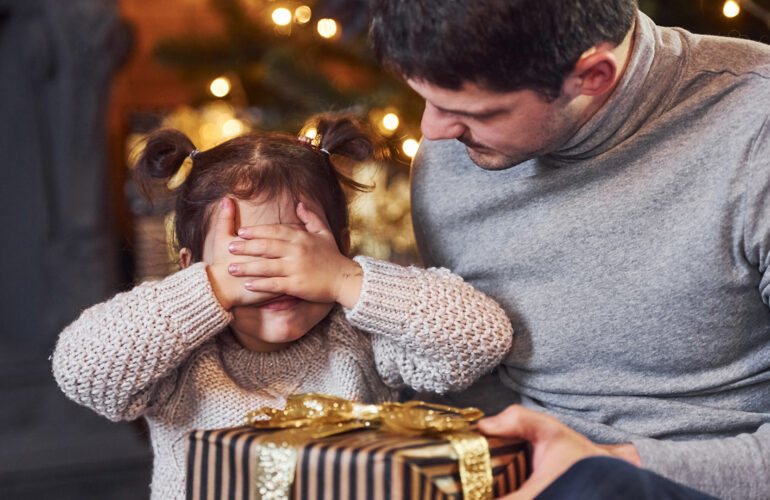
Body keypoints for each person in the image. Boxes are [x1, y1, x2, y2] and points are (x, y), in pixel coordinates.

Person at [369, 0, 770, 499]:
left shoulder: (757, 130)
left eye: (474, 112)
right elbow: (463, 377)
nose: (433, 131)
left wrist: (610, 467)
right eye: (426, 100)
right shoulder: (453, 158)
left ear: (594, 75)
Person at [51, 115, 514, 499]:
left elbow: (480, 339)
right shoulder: (181, 355)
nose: (278, 275)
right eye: (247, 255)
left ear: (337, 249)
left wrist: (343, 278)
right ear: (193, 267)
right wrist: (208, 288)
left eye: (298, 251)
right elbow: (82, 368)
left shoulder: (358, 334)